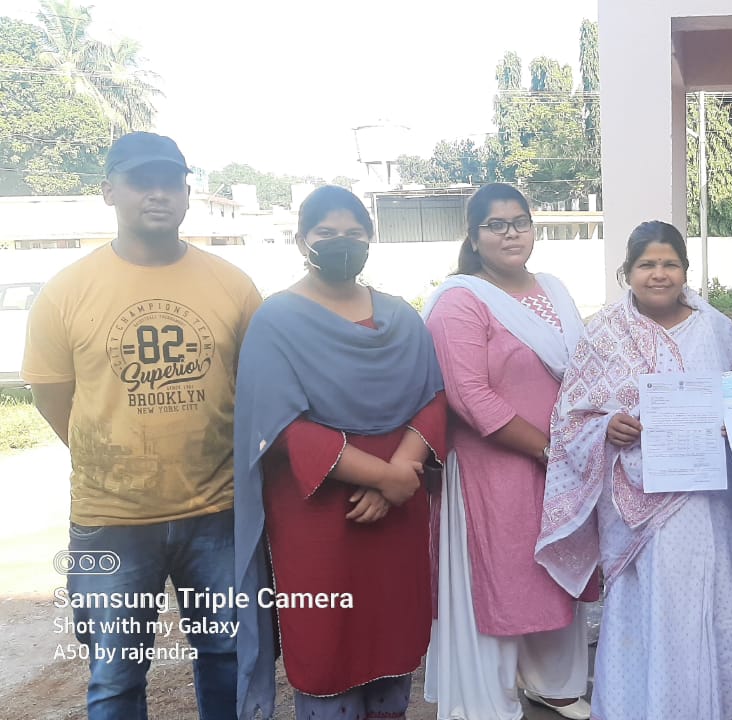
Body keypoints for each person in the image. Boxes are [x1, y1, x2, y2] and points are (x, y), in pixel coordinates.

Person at [22, 132, 261, 719]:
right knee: (114, 675)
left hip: (218, 513)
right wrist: (112, 457)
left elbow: (256, 387)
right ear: (109, 191)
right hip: (110, 521)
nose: (158, 194)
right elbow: (55, 398)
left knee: (227, 656)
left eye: (170, 182)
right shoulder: (66, 292)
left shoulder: (232, 285)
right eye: (140, 181)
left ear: (188, 194)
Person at [233, 185, 448, 720]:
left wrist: (398, 476)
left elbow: (433, 398)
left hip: (398, 508)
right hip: (321, 512)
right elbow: (281, 425)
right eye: (326, 233)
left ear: (370, 240)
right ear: (301, 241)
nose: (341, 243)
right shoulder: (276, 321)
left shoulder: (400, 318)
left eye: (354, 234)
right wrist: (383, 476)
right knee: (326, 640)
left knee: (393, 636)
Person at [536, 220, 732, 720]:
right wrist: (607, 427)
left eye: (670, 264)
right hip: (635, 509)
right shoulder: (604, 332)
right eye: (647, 264)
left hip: (704, 497)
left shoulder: (715, 327)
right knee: (649, 605)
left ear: (686, 270)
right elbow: (571, 419)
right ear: (627, 272)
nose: (659, 274)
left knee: (712, 598)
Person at [421, 182, 592, 720]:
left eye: (520, 221)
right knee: (499, 578)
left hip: (560, 464)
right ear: (474, 237)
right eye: (496, 225)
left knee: (555, 569)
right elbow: (469, 396)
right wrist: (546, 449)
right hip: (492, 469)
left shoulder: (554, 289)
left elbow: (585, 367)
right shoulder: (460, 300)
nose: (511, 233)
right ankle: (484, 702)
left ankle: (554, 683)